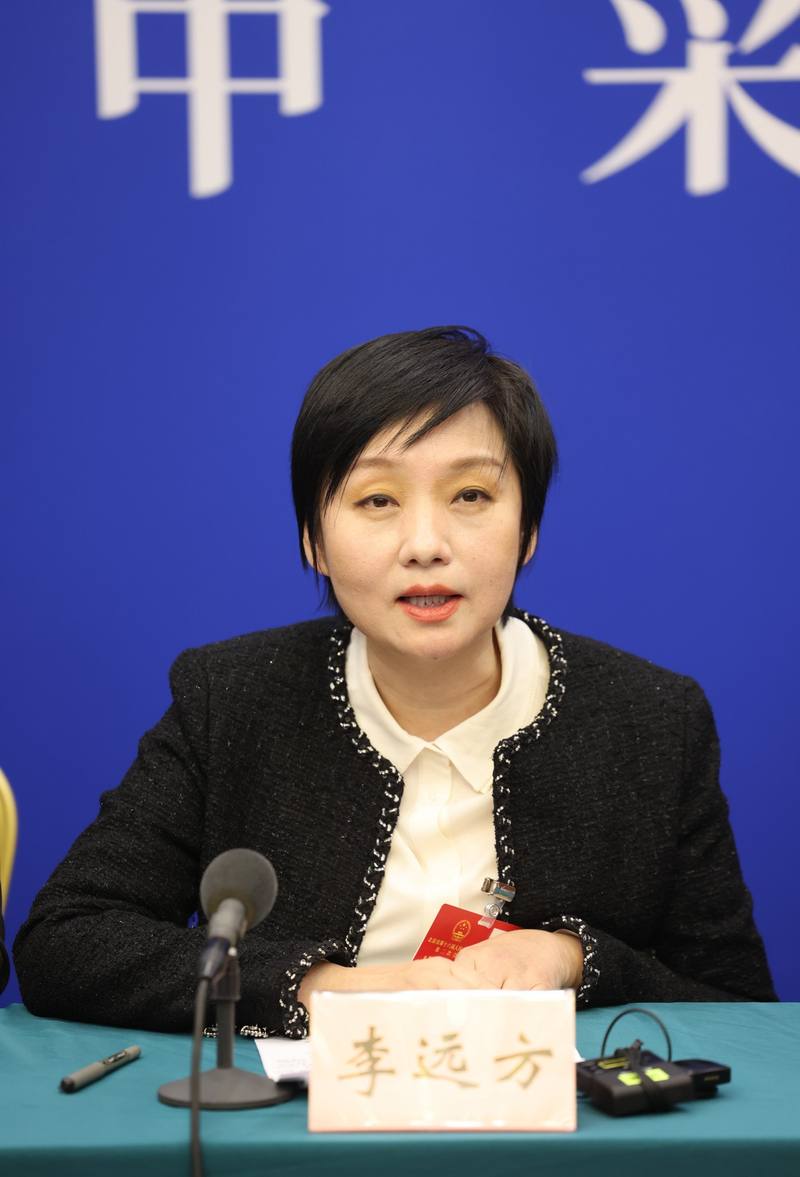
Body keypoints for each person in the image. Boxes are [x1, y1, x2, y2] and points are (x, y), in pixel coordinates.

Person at [14, 327, 776, 1036]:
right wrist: (317, 988)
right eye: (377, 500)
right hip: (293, 1122)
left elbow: (741, 1009)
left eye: (471, 495)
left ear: (528, 530)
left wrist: (577, 959)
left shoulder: (650, 719)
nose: (425, 544)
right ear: (314, 540)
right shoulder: (232, 696)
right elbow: (65, 940)